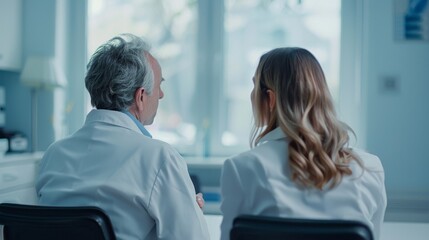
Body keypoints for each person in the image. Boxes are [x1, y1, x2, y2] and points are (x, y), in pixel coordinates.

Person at [36, 34, 210, 240]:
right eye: (159, 86)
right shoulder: (159, 158)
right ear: (140, 96)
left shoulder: (54, 153)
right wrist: (192, 211)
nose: (161, 95)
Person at [220, 47, 387, 240]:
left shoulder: (241, 168)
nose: (252, 95)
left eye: (254, 86)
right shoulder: (369, 167)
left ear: (271, 98)